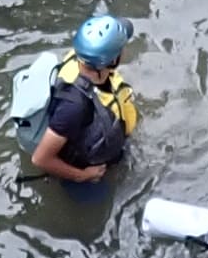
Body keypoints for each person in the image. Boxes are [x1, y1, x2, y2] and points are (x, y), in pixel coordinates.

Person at [30, 11, 140, 190]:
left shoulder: (83, 58)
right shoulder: (74, 107)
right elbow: (40, 158)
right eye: (121, 47)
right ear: (112, 60)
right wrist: (83, 176)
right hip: (87, 170)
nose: (124, 49)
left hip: (102, 139)